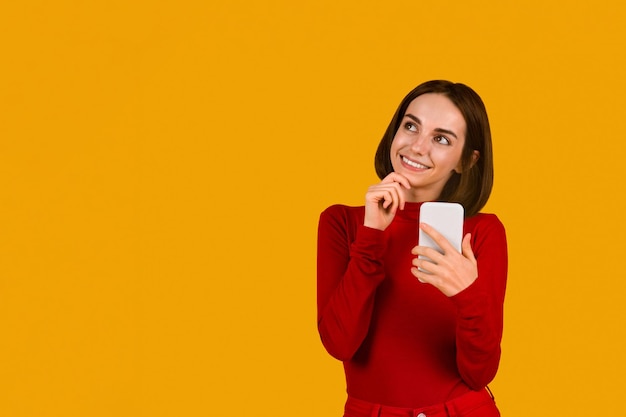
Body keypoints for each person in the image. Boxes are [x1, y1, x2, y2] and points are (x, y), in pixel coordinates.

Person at [317, 80, 507, 417]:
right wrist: (372, 234)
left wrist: (467, 294)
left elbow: (479, 373)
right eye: (410, 126)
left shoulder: (481, 232)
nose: (417, 147)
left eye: (441, 138)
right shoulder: (341, 222)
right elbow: (339, 343)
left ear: (465, 160)